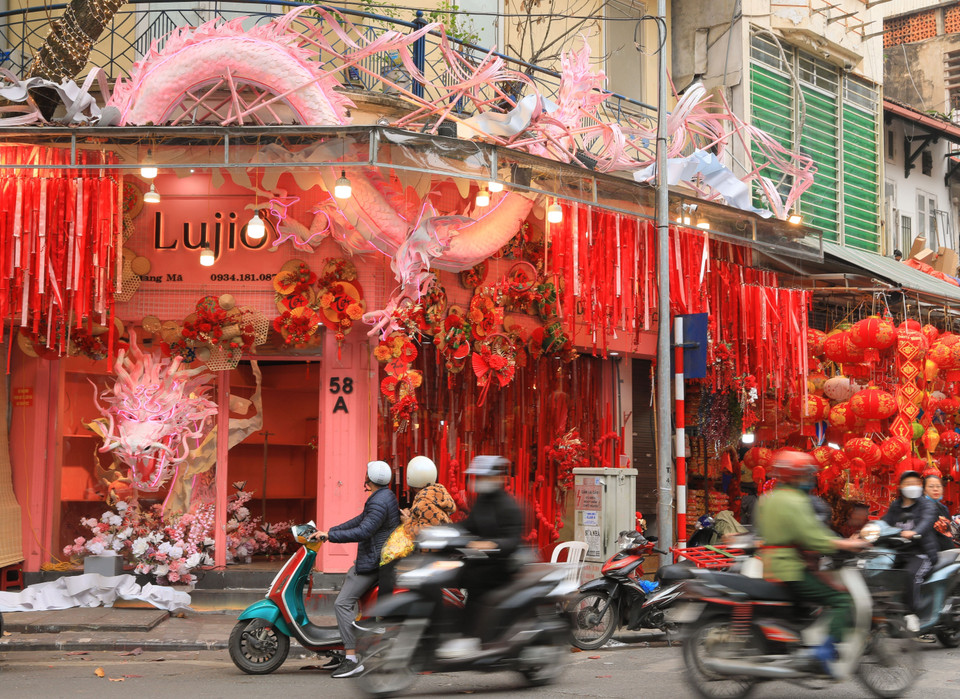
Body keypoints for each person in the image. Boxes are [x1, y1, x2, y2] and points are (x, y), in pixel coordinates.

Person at [756, 451, 870, 671]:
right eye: (805, 474)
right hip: (791, 568)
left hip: (773, 565)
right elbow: (812, 537)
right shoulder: (794, 501)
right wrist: (847, 544)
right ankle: (822, 654)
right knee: (840, 598)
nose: (809, 479)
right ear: (796, 475)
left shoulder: (769, 499)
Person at [312, 460, 399, 678]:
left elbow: (363, 530)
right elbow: (360, 520)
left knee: (342, 603)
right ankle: (346, 647)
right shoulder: (382, 497)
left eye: (366, 474)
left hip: (372, 564)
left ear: (371, 479)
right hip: (372, 559)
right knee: (347, 597)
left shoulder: (379, 502)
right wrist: (330, 531)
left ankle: (351, 659)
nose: (364, 477)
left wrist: (330, 536)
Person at [437, 454, 523, 659]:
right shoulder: (482, 502)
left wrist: (491, 544)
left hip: (500, 568)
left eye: (484, 477)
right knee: (444, 576)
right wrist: (443, 533)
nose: (479, 481)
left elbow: (512, 540)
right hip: (478, 562)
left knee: (475, 584)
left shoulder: (508, 506)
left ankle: (471, 637)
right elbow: (468, 525)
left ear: (496, 478)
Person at [378, 455, 457, 597]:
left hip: (428, 555)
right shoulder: (436, 493)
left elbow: (424, 532)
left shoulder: (424, 501)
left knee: (387, 569)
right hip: (436, 553)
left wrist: (407, 521)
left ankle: (384, 615)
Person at [881, 469, 939, 633]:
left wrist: (915, 532)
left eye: (916, 483)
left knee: (911, 574)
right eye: (908, 483)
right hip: (899, 552)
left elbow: (927, 521)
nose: (912, 486)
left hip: (922, 553)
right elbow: (884, 522)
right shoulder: (895, 506)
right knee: (879, 572)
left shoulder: (926, 505)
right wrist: (868, 532)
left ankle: (912, 614)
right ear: (900, 486)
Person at [924, 474, 955, 551]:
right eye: (931, 486)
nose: (935, 489)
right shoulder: (921, 508)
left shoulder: (943, 508)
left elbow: (947, 533)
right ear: (924, 490)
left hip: (947, 553)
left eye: (938, 486)